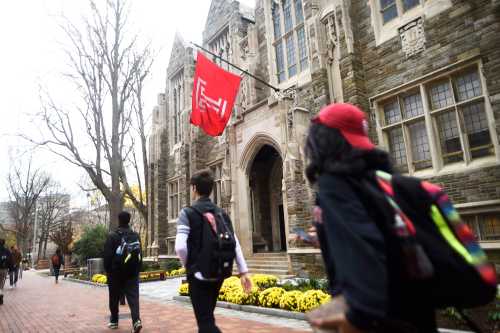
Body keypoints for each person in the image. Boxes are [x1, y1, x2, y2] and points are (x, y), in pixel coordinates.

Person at [303, 103, 438, 333]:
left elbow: (366, 263)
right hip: (419, 319)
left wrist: (351, 317)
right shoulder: (386, 183)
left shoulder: (335, 185)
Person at [175, 170, 252, 333]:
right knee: (207, 317)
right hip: (219, 272)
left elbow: (180, 247)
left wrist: (189, 265)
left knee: (205, 322)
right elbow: (234, 242)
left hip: (198, 274)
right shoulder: (222, 213)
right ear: (211, 189)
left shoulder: (187, 213)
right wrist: (244, 271)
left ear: (194, 188)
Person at [103, 211, 142, 332]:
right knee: (133, 298)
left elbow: (107, 257)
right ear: (129, 220)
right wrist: (137, 270)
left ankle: (114, 321)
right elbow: (140, 255)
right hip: (131, 273)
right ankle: (136, 321)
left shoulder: (112, 236)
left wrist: (108, 271)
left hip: (115, 274)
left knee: (114, 298)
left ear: (119, 220)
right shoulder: (135, 235)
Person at [0, 239, 13, 305]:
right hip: (4, 269)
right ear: (4, 243)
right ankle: (1, 297)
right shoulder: (7, 251)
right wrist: (10, 269)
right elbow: (10, 260)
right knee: (1, 283)